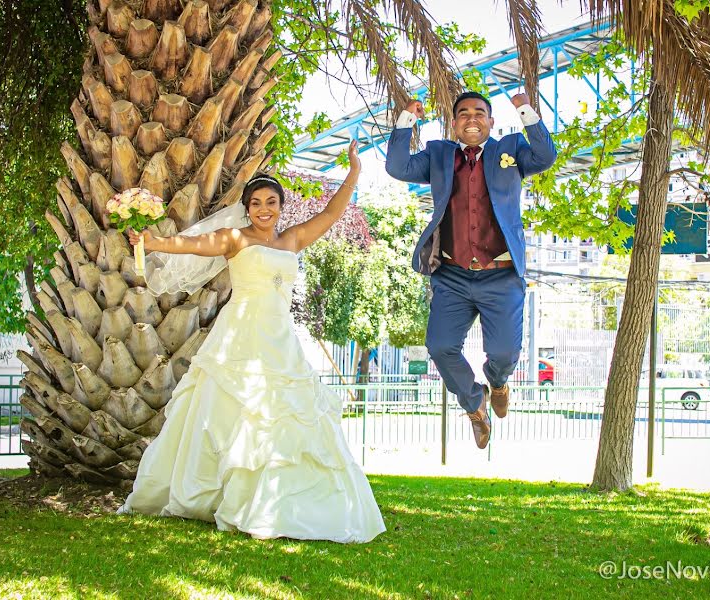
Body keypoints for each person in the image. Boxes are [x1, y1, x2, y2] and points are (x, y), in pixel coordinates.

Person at [117, 141, 386, 543]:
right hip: (240, 334)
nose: (264, 209)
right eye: (257, 202)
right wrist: (151, 242)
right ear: (247, 208)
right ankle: (222, 490)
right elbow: (190, 244)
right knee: (231, 410)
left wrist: (354, 172)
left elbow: (331, 213)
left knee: (286, 414)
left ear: (281, 205)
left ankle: (281, 499)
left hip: (280, 337)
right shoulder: (234, 239)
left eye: (272, 202)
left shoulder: (292, 239)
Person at [385, 91, 556, 449]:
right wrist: (406, 120)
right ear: (454, 123)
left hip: (502, 275)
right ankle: (475, 403)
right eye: (463, 113)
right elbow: (397, 168)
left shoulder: (509, 149)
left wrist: (525, 110)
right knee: (440, 345)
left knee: (506, 353)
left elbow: (545, 156)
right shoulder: (438, 155)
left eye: (480, 112)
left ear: (491, 122)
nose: (472, 118)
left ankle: (497, 381)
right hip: (453, 276)